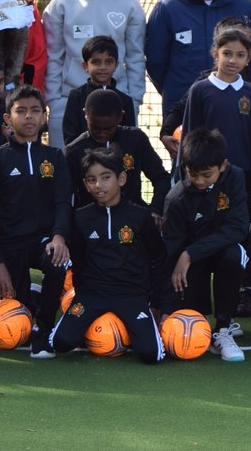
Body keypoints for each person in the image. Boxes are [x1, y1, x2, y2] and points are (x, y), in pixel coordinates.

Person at [45, 147, 167, 364]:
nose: (98, 185)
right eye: (91, 179)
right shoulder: (81, 218)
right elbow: (79, 263)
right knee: (60, 343)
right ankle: (90, 329)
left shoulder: (141, 216)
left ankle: (132, 328)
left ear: (121, 179)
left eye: (105, 177)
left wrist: (155, 302)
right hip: (93, 294)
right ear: (85, 184)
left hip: (131, 295)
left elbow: (158, 258)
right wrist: (82, 297)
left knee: (151, 355)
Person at [0, 85, 72, 358]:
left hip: (43, 240)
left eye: (35, 111)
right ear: (8, 118)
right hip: (9, 244)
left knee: (57, 262)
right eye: (21, 111)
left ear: (44, 117)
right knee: (15, 315)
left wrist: (59, 236)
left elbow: (62, 202)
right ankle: (28, 299)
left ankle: (43, 329)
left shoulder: (55, 157)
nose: (29, 117)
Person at [43, 0, 146, 147]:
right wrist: (54, 101)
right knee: (69, 172)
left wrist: (134, 100)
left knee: (113, 171)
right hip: (69, 102)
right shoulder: (61, 4)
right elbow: (53, 56)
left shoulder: (130, 4)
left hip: (116, 103)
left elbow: (136, 57)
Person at [161, 128, 250, 362]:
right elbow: (170, 254)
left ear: (223, 165)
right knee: (190, 317)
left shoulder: (236, 177)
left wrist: (190, 253)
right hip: (189, 265)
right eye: (193, 174)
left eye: (207, 175)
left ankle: (223, 329)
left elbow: (239, 227)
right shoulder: (176, 199)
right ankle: (198, 319)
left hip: (218, 251)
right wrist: (164, 308)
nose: (199, 181)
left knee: (236, 255)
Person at [179, 25, 251, 194]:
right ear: (215, 54)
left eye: (240, 55)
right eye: (227, 53)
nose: (233, 60)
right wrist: (185, 174)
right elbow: (189, 136)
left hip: (242, 175)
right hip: (206, 173)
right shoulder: (200, 90)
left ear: (248, 58)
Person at [64, 89, 171, 216]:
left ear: (121, 117)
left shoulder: (135, 139)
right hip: (91, 224)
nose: (102, 133)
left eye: (109, 128)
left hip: (132, 218)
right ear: (85, 115)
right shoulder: (74, 150)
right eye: (96, 128)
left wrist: (155, 210)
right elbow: (63, 194)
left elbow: (161, 177)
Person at [60, 35, 136, 146]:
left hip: (116, 160)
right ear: (85, 65)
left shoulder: (125, 101)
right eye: (96, 62)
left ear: (116, 65)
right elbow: (70, 136)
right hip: (84, 160)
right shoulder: (76, 96)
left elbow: (129, 138)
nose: (103, 67)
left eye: (109, 62)